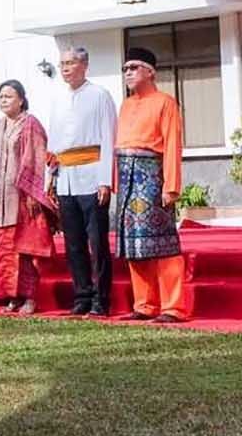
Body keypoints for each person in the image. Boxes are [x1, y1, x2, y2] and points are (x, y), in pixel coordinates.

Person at [114, 47, 188, 322]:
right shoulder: (125, 105)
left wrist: (171, 186)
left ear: (150, 71)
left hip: (151, 176)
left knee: (163, 244)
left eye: (133, 67)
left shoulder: (165, 102)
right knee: (134, 243)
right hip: (126, 176)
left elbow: (172, 145)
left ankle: (173, 307)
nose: (128, 73)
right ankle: (144, 305)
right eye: (125, 69)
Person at [45, 44, 118, 316]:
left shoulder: (100, 95)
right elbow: (54, 143)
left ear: (85, 65)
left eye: (71, 63)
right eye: (62, 63)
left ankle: (102, 299)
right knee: (73, 242)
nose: (65, 68)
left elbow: (109, 138)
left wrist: (105, 180)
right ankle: (82, 295)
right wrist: (49, 180)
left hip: (91, 174)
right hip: (65, 178)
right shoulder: (57, 99)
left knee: (97, 242)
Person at [0, 80, 55, 315]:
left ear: (21, 99)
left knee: (23, 251)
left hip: (22, 200)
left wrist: (35, 193)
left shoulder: (30, 124)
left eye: (9, 96)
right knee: (4, 252)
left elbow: (37, 159)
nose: (4, 100)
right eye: (1, 96)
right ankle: (11, 298)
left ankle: (30, 298)